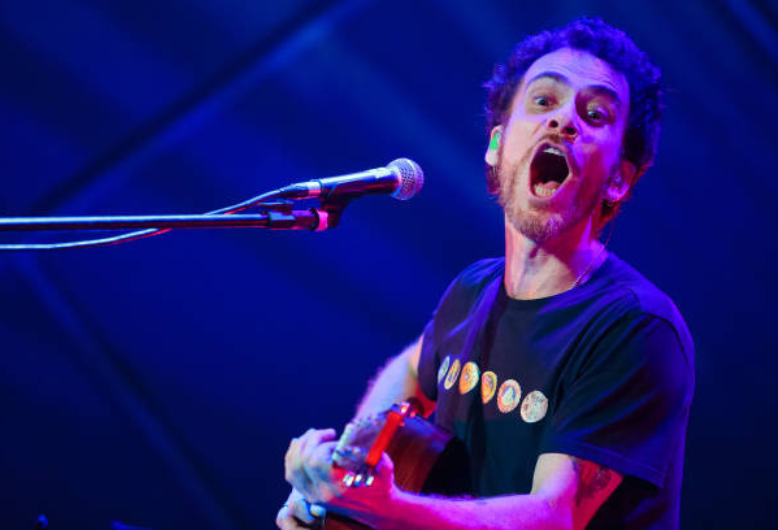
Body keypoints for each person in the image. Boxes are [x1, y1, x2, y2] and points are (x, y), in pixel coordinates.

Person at [278, 16, 694, 530]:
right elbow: (407, 369)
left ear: (618, 181)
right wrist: (341, 479)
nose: (564, 120)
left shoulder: (636, 327)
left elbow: (553, 517)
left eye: (595, 114)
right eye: (543, 100)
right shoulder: (473, 290)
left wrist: (382, 509)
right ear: (497, 146)